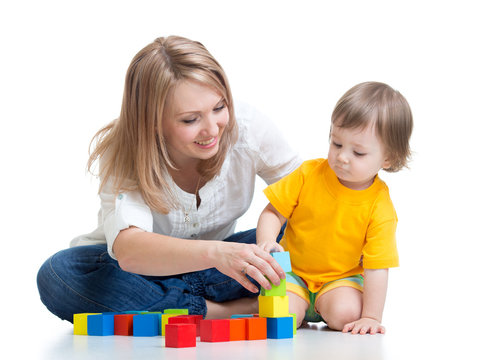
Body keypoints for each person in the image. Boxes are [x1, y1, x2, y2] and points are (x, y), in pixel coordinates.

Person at [36, 35, 302, 322]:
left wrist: (253, 248)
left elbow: (310, 195)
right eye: (190, 119)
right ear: (152, 121)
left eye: (219, 108)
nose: (212, 129)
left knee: (298, 230)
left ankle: (162, 305)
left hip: (218, 274)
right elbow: (129, 251)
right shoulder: (125, 147)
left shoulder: (249, 128)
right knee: (59, 274)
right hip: (136, 272)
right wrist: (218, 253)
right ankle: (227, 310)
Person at [256, 82, 413, 335]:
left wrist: (371, 316)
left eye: (358, 152)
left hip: (340, 281)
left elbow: (376, 266)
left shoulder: (379, 205)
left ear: (388, 158)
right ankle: (297, 308)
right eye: (336, 144)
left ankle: (324, 308)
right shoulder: (308, 173)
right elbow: (273, 212)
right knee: (277, 316)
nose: (342, 157)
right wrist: (266, 242)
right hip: (293, 273)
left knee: (347, 315)